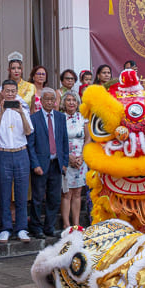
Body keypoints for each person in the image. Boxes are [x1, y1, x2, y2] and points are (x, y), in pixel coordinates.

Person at [0, 79, 34, 242]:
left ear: (16, 92)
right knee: (4, 193)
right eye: (6, 91)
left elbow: (28, 131)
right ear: (2, 93)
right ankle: (6, 228)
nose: (9, 94)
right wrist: (1, 112)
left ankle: (22, 228)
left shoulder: (23, 110)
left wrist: (21, 112)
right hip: (4, 154)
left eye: (12, 91)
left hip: (21, 153)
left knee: (22, 193)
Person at [27, 88, 68, 238]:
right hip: (40, 165)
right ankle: (36, 228)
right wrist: (35, 164)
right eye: (47, 99)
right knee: (37, 198)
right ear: (42, 101)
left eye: (52, 99)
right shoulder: (34, 118)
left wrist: (64, 162)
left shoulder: (60, 117)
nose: (50, 102)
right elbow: (30, 145)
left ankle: (49, 227)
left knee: (54, 198)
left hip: (56, 164)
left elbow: (64, 141)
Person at [60, 91, 87, 230]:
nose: (71, 102)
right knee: (67, 193)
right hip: (66, 159)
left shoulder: (83, 118)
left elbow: (87, 139)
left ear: (77, 103)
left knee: (77, 192)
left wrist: (82, 156)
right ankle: (66, 224)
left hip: (81, 159)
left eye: (74, 100)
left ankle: (76, 223)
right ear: (64, 103)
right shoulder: (60, 118)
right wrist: (68, 157)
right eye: (68, 100)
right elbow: (58, 140)